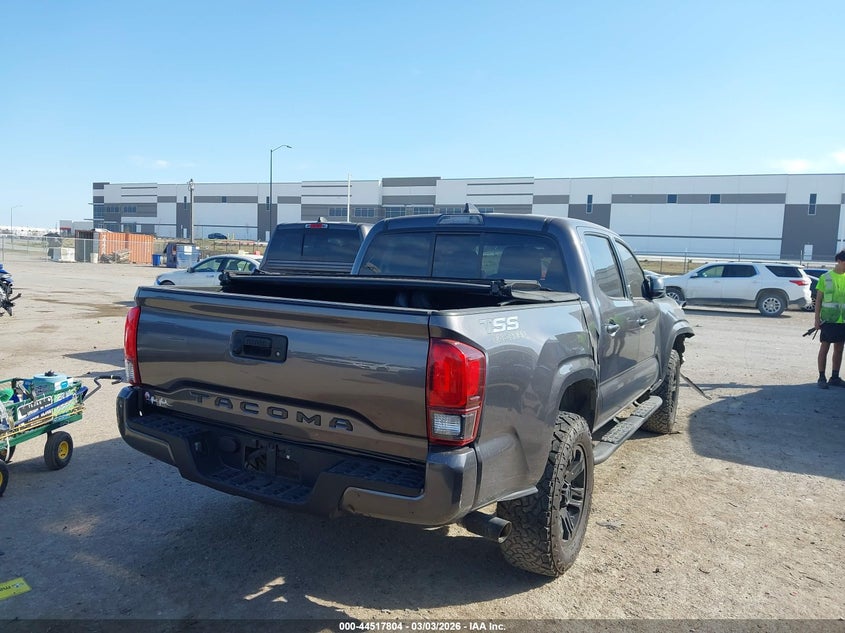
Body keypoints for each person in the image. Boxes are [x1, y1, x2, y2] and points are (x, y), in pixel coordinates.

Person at [813, 250, 845, 388]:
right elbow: (819, 300)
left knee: (839, 348)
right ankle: (821, 378)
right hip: (828, 320)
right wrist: (816, 320)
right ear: (839, 261)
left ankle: (835, 377)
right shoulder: (825, 277)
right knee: (824, 347)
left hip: (842, 320)